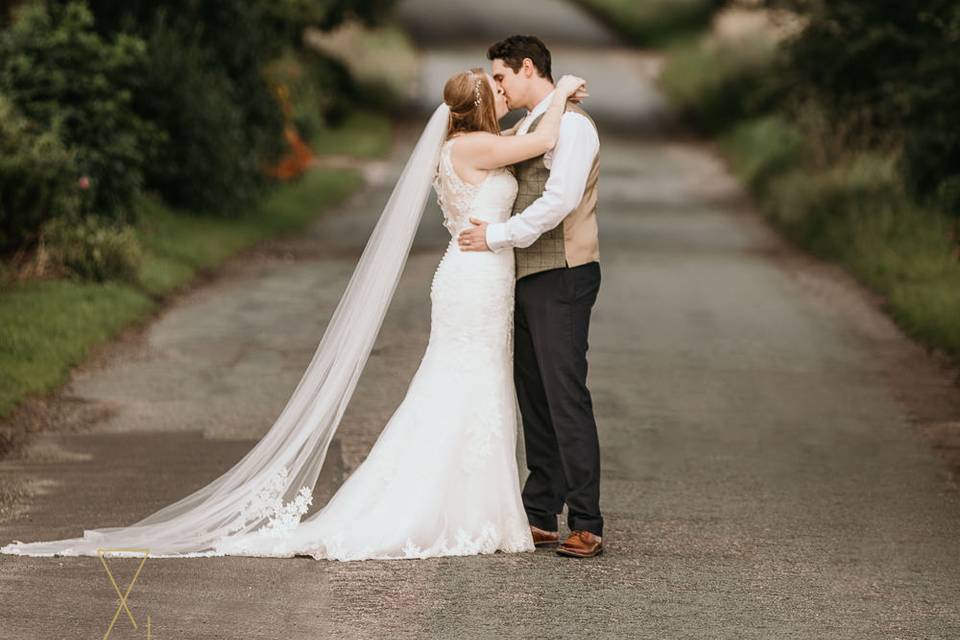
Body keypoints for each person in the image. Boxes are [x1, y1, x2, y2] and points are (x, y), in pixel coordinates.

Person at [0, 68, 588, 561]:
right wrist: (559, 93)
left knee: (476, 386)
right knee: (464, 384)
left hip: (480, 278)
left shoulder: (459, 146)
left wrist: (544, 106)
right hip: (473, 279)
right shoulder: (475, 147)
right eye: (497, 91)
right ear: (483, 106)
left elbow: (523, 142)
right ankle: (457, 507)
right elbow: (536, 145)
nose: (504, 96)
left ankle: (482, 504)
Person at [458, 35, 604, 558]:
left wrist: (497, 237)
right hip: (523, 278)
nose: (496, 87)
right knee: (534, 397)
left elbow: (559, 200)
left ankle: (586, 520)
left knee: (565, 395)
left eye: (500, 77)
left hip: (563, 273)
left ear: (526, 68)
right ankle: (541, 511)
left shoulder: (573, 126)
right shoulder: (533, 126)